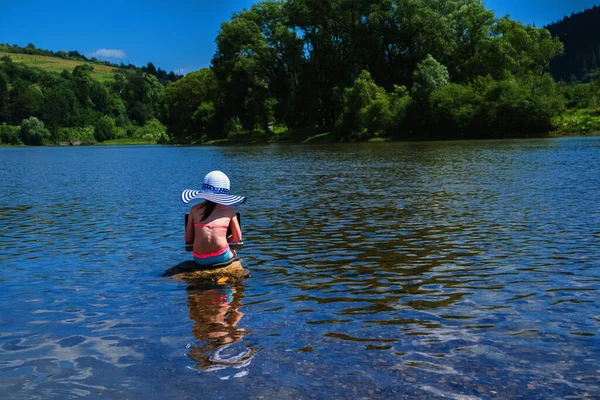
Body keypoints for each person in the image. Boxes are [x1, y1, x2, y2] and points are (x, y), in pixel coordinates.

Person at [182, 171, 246, 266]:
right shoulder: (229, 211)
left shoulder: (194, 210)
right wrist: (224, 239)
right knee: (234, 253)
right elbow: (237, 238)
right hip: (221, 257)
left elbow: (188, 239)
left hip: (199, 258)